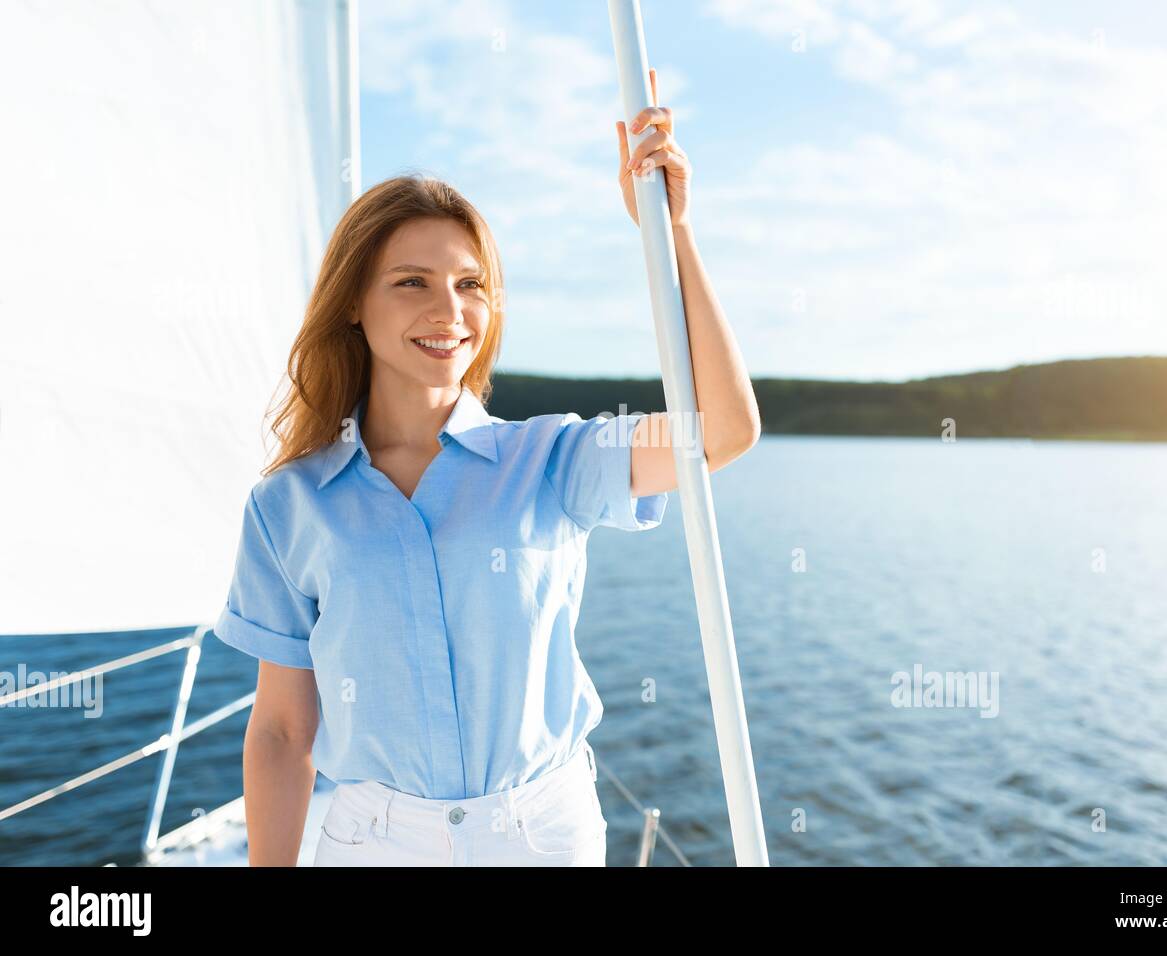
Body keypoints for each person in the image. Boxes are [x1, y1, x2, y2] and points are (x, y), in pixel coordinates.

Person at [214, 70, 761, 866]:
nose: (450, 310)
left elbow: (725, 431)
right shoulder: (289, 504)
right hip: (373, 843)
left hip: (543, 835)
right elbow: (282, 729)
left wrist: (669, 233)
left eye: (471, 285)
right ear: (355, 306)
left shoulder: (551, 458)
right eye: (412, 283)